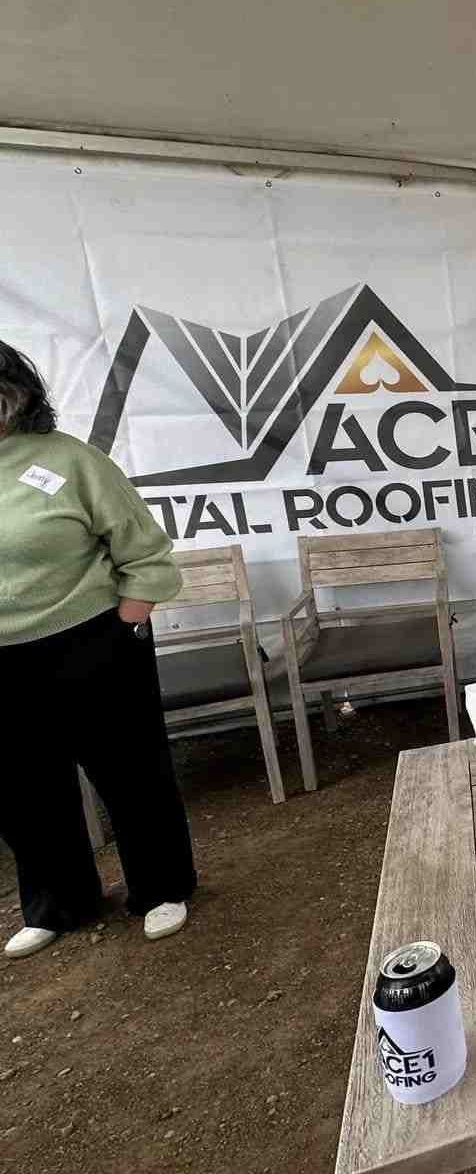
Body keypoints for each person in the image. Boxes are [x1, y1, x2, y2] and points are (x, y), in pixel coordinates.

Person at [0, 340, 197, 958]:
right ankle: (58, 904)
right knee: (23, 789)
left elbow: (144, 549)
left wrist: (124, 627)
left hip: (90, 641)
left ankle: (161, 887)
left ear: (15, 395)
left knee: (132, 774)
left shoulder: (68, 461)